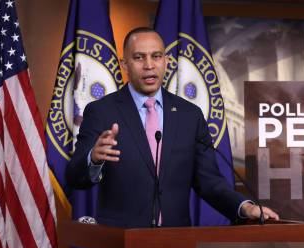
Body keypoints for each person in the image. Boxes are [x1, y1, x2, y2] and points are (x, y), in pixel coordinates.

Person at [66, 27, 278, 228]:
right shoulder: (102, 111)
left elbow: (209, 181)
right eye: (139, 57)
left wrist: (245, 207)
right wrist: (93, 159)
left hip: (174, 244)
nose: (149, 65)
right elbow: (75, 176)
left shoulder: (190, 116)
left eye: (156, 56)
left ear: (166, 61)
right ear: (125, 64)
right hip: (119, 246)